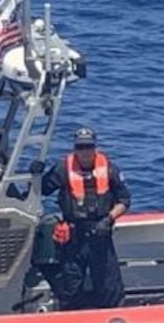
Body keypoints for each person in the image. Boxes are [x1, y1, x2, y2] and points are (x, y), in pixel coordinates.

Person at [39, 126, 131, 309]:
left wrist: (109, 219)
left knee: (108, 284)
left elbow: (124, 201)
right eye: (80, 147)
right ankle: (73, 317)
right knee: (70, 285)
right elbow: (42, 189)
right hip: (74, 237)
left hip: (100, 233)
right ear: (75, 149)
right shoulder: (63, 169)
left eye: (88, 147)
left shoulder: (110, 169)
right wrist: (36, 174)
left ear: (94, 147)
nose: (85, 152)